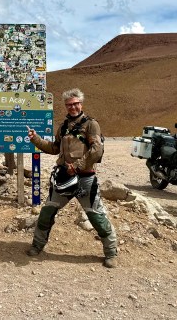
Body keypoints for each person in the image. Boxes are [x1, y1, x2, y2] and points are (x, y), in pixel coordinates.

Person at [25, 88, 118, 268]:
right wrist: (36, 139)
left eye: (75, 104)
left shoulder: (91, 124)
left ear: (81, 104)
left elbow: (96, 150)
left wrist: (76, 166)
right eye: (69, 105)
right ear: (66, 106)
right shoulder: (64, 126)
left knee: (96, 216)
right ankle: (37, 245)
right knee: (46, 213)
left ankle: (111, 252)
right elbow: (54, 148)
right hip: (63, 179)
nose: (73, 107)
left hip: (85, 179)